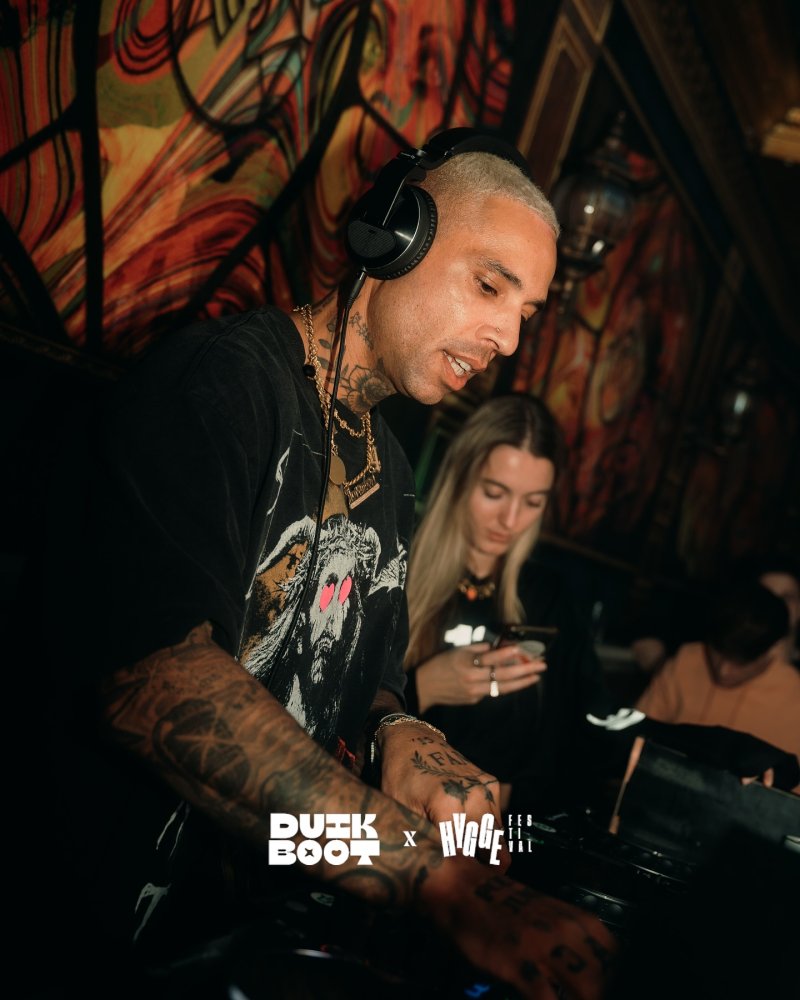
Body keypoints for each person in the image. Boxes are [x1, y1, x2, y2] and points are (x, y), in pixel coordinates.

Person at [44, 132, 615, 999]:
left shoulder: (393, 471)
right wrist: (432, 878)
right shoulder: (217, 386)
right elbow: (155, 687)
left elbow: (368, 690)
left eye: (525, 313)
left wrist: (404, 737)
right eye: (488, 285)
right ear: (394, 239)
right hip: (88, 942)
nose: (506, 336)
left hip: (245, 935)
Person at [404, 394, 611, 814]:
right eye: (494, 493)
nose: (511, 520)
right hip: (392, 819)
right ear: (460, 478)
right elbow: (327, 714)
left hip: (496, 834)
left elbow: (594, 716)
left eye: (533, 502)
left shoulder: (547, 596)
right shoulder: (394, 564)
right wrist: (422, 686)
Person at [636, 581, 800, 784]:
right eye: (717, 652)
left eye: (741, 662)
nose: (724, 670)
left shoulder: (795, 698)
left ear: (773, 649)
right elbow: (638, 733)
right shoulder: (686, 660)